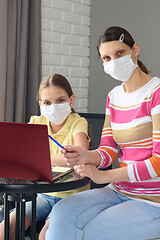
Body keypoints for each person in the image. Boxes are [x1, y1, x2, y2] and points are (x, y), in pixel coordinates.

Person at [45, 26, 160, 240]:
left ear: (135, 49)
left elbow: (158, 162)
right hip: (119, 190)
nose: (113, 61)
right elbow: (108, 149)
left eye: (119, 53)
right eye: (106, 58)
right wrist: (85, 155)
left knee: (85, 234)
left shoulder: (156, 93)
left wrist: (103, 176)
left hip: (153, 201)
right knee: (61, 213)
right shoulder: (114, 96)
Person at [0, 74, 90, 240]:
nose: (54, 106)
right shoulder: (36, 122)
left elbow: (80, 156)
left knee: (46, 235)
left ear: (71, 100)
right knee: (6, 227)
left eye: (60, 100)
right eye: (47, 102)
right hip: (43, 195)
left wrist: (41, 157)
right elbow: (19, 154)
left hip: (72, 195)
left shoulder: (78, 122)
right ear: (40, 104)